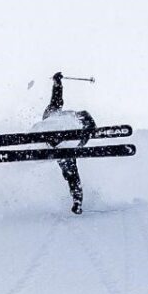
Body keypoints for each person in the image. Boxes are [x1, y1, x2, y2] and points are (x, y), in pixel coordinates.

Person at [40, 72, 95, 215]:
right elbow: (57, 99)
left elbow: (57, 99)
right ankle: (77, 199)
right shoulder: (62, 116)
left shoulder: (51, 115)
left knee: (69, 169)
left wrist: (57, 83)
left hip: (59, 143)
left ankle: (77, 198)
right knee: (71, 170)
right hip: (67, 142)